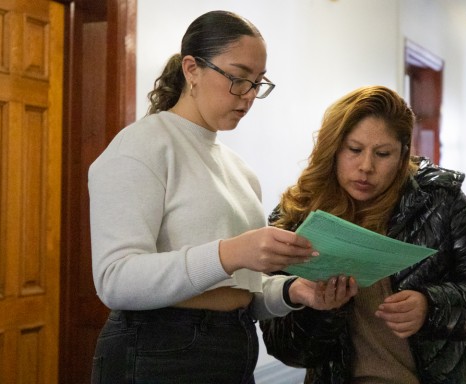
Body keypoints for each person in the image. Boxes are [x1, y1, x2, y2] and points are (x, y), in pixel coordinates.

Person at [88, 10, 357, 384]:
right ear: (191, 69)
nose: (248, 96)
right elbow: (115, 280)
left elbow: (243, 290)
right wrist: (230, 253)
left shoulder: (239, 170)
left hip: (234, 341)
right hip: (159, 349)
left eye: (257, 83)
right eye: (237, 78)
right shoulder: (142, 146)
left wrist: (296, 290)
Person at [260, 85, 466, 383]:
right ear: (332, 149)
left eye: (383, 154)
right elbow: (287, 349)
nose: (366, 167)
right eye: (354, 150)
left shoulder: (439, 200)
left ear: (402, 154)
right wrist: (322, 311)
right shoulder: (294, 216)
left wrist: (430, 306)